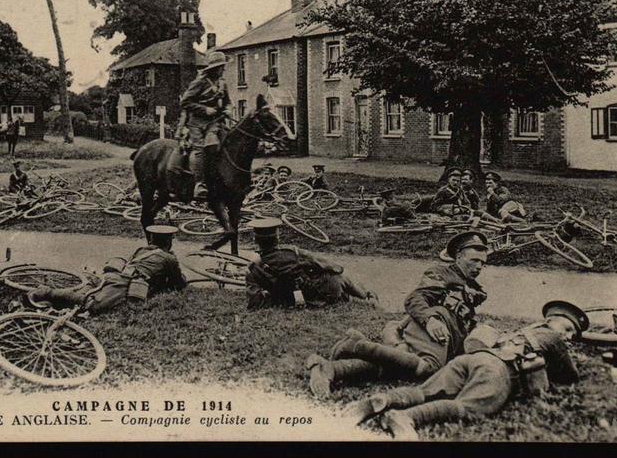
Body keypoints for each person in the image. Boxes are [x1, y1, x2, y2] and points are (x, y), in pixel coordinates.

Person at [344, 300, 587, 439]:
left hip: (473, 358)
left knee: (425, 391)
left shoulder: (518, 333)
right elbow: (570, 376)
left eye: (573, 335)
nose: (569, 337)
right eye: (567, 329)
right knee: (471, 407)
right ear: (548, 323)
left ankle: (383, 400)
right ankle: (407, 418)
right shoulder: (552, 338)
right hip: (499, 370)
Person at [305, 232, 490, 398]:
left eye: (482, 262)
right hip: (432, 327)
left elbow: (462, 319)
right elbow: (415, 298)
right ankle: (358, 346)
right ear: (459, 256)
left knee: (399, 364)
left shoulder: (472, 287)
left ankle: (332, 369)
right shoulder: (442, 273)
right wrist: (430, 320)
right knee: (429, 368)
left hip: (444, 336)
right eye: (474, 260)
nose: (479, 266)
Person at [27, 226, 187, 315]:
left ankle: (46, 300)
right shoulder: (169, 258)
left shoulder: (142, 250)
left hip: (112, 275)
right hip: (124, 282)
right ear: (169, 242)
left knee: (83, 294)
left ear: (151, 239)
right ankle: (47, 292)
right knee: (93, 305)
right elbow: (179, 283)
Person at [245, 218, 376, 310]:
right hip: (318, 295)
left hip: (291, 300)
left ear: (255, 240)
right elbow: (328, 265)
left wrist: (278, 299)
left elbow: (255, 302)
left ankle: (358, 297)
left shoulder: (253, 268)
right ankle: (366, 297)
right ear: (277, 238)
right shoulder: (292, 253)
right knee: (337, 277)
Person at [168, 51, 232, 200]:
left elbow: (227, 101)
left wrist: (228, 108)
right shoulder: (199, 83)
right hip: (197, 124)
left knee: (228, 144)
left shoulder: (222, 83)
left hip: (216, 122)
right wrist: (205, 109)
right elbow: (185, 102)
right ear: (214, 68)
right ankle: (200, 184)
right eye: (221, 67)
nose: (223, 69)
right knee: (201, 149)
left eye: (223, 66)